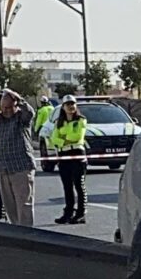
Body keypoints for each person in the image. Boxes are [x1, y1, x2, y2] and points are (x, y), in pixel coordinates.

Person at [0, 91, 39, 225]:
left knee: (24, 207)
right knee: (10, 208)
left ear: (16, 105)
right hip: (3, 168)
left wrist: (17, 97)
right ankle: (15, 233)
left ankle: (26, 235)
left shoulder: (22, 119)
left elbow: (30, 112)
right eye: (4, 108)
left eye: (10, 107)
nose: (7, 110)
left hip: (21, 167)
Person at [50, 96, 91, 224]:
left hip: (77, 153)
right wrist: (64, 140)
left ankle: (81, 213)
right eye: (67, 104)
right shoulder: (59, 122)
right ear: (63, 107)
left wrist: (63, 137)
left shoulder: (81, 120)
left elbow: (77, 137)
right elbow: (54, 138)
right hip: (63, 154)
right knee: (67, 186)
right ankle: (68, 213)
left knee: (79, 185)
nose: (70, 106)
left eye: (72, 104)